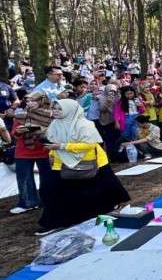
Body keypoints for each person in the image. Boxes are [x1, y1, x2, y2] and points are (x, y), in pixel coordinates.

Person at [38, 99, 130, 235]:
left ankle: (104, 211)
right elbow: (53, 141)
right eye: (54, 108)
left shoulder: (85, 125)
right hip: (61, 163)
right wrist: (51, 148)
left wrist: (62, 146)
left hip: (90, 162)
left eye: (59, 109)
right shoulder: (55, 124)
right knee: (50, 190)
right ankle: (54, 221)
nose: (55, 111)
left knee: (98, 190)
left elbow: (90, 144)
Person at [10, 92, 52, 214]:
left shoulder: (50, 115)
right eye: (27, 101)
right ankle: (28, 203)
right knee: (24, 178)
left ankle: (48, 200)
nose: (29, 103)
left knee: (47, 178)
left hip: (44, 149)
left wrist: (37, 130)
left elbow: (53, 132)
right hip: (23, 150)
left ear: (41, 101)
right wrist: (19, 131)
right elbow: (14, 134)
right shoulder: (20, 115)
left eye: (33, 100)